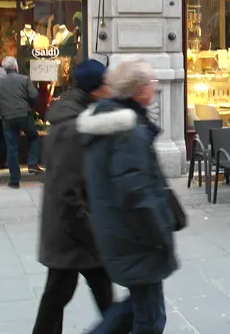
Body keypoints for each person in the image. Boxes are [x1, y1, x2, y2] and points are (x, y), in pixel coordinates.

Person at [77, 60, 177, 334]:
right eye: (152, 82)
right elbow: (136, 190)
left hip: (121, 233)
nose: (155, 88)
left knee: (135, 309)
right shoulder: (128, 131)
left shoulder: (110, 122)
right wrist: (159, 235)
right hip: (137, 238)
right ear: (140, 90)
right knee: (150, 321)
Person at [32, 59, 114, 334]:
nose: (110, 87)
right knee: (63, 299)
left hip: (70, 231)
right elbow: (68, 192)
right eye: (106, 83)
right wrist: (93, 234)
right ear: (95, 90)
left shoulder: (74, 115)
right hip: (74, 232)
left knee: (58, 299)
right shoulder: (73, 127)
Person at [0, 56, 42, 188]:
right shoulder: (24, 79)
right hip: (24, 114)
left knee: (12, 147)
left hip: (7, 117)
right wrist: (31, 107)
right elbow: (34, 95)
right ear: (16, 67)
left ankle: (14, 180)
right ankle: (32, 163)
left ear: (4, 68)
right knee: (33, 137)